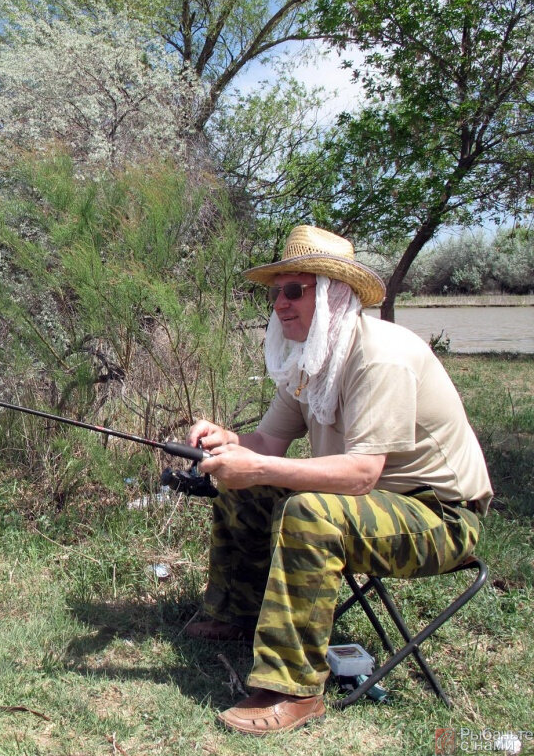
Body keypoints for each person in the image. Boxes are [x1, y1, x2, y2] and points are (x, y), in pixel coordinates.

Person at [184, 225, 493, 735]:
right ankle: (235, 613)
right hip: (378, 506)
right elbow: (264, 445)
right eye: (275, 292)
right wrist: (227, 443)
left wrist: (254, 465)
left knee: (308, 512)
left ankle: (293, 689)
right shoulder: (308, 360)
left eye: (294, 290)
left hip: (439, 516)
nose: (280, 305)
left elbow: (361, 475)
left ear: (334, 294)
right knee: (242, 482)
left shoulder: (381, 356)